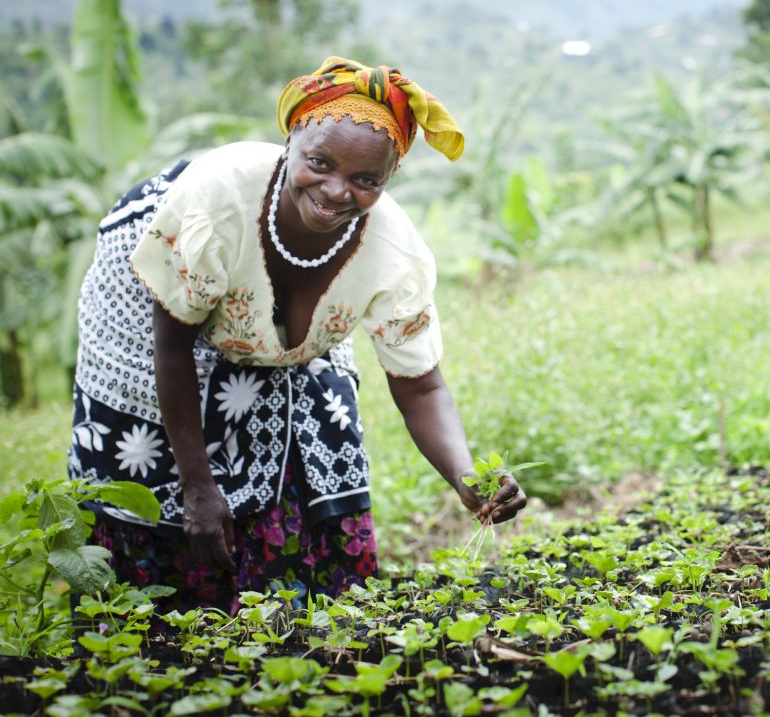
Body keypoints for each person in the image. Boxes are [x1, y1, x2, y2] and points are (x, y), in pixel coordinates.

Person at [67, 57, 526, 613]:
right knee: (151, 456)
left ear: (387, 180)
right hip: (157, 293)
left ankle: (298, 620)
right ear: (290, 142)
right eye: (319, 163)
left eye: (365, 180)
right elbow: (172, 346)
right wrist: (198, 486)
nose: (336, 191)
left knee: (320, 416)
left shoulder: (393, 256)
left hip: (277, 329)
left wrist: (467, 477)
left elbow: (421, 387)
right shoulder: (218, 207)